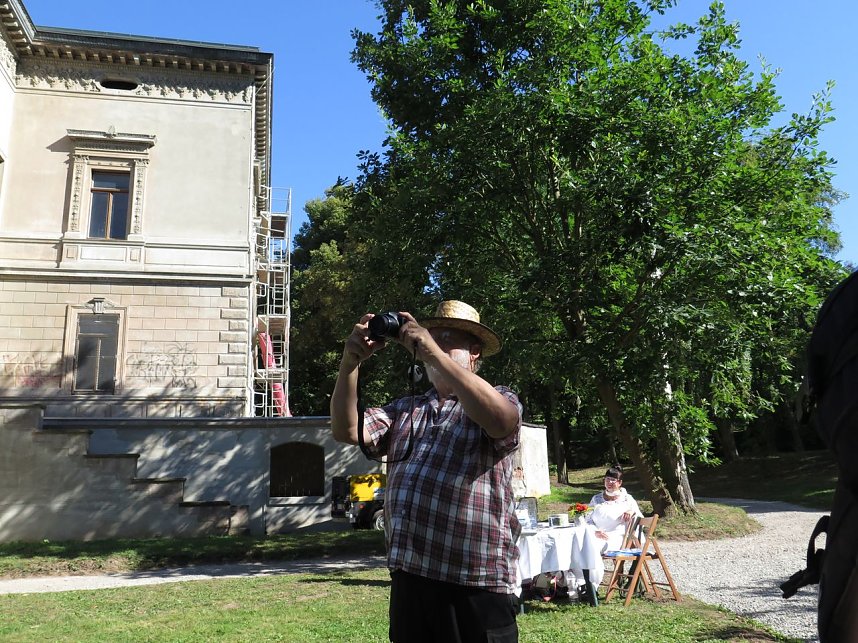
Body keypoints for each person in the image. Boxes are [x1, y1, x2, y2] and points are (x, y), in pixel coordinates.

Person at [330, 300, 524, 643]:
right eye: (432, 337)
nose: (433, 345)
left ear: (474, 352)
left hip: (475, 586)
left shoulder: (497, 397)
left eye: (448, 339)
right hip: (411, 582)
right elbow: (347, 430)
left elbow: (501, 420)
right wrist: (350, 362)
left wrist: (432, 351)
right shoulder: (407, 408)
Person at [587, 465, 643, 552]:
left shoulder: (627, 499)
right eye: (607, 479)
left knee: (592, 547)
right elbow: (587, 519)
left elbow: (640, 518)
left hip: (618, 538)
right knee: (581, 545)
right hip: (596, 536)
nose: (609, 482)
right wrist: (595, 531)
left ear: (619, 483)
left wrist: (632, 512)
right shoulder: (596, 499)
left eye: (613, 480)